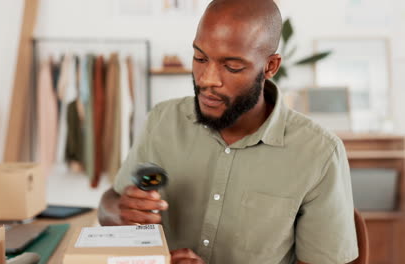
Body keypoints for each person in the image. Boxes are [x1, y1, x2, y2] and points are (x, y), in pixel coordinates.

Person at [98, 0, 359, 263]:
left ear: (270, 67)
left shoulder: (319, 154)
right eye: (200, 58)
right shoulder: (163, 121)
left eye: (232, 67)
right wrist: (122, 211)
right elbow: (110, 204)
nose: (207, 79)